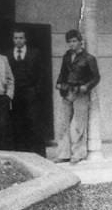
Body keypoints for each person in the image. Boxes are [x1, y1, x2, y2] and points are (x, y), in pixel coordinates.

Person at [55, 29, 100, 164]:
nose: (72, 44)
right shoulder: (67, 56)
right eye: (69, 42)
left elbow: (96, 77)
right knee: (63, 123)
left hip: (80, 93)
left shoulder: (89, 58)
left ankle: (78, 153)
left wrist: (86, 86)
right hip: (67, 91)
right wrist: (59, 83)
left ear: (81, 41)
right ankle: (63, 154)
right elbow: (63, 73)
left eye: (74, 41)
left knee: (79, 125)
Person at [7, 26, 45, 156]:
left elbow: (41, 75)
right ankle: (21, 153)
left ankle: (39, 154)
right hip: (15, 94)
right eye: (16, 38)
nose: (18, 40)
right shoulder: (7, 54)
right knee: (17, 122)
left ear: (25, 39)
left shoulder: (35, 53)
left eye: (21, 38)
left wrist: (35, 91)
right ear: (13, 39)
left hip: (30, 93)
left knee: (33, 122)